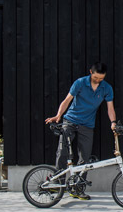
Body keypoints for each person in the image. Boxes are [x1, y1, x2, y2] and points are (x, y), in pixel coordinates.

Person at [45, 62, 117, 200]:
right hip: (70, 121)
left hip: (88, 125)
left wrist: (113, 122)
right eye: (96, 77)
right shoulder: (80, 83)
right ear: (90, 72)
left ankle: (77, 188)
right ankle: (56, 183)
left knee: (85, 157)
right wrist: (58, 115)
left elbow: (110, 108)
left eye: (101, 78)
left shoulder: (106, 88)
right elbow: (67, 100)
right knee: (63, 151)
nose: (98, 80)